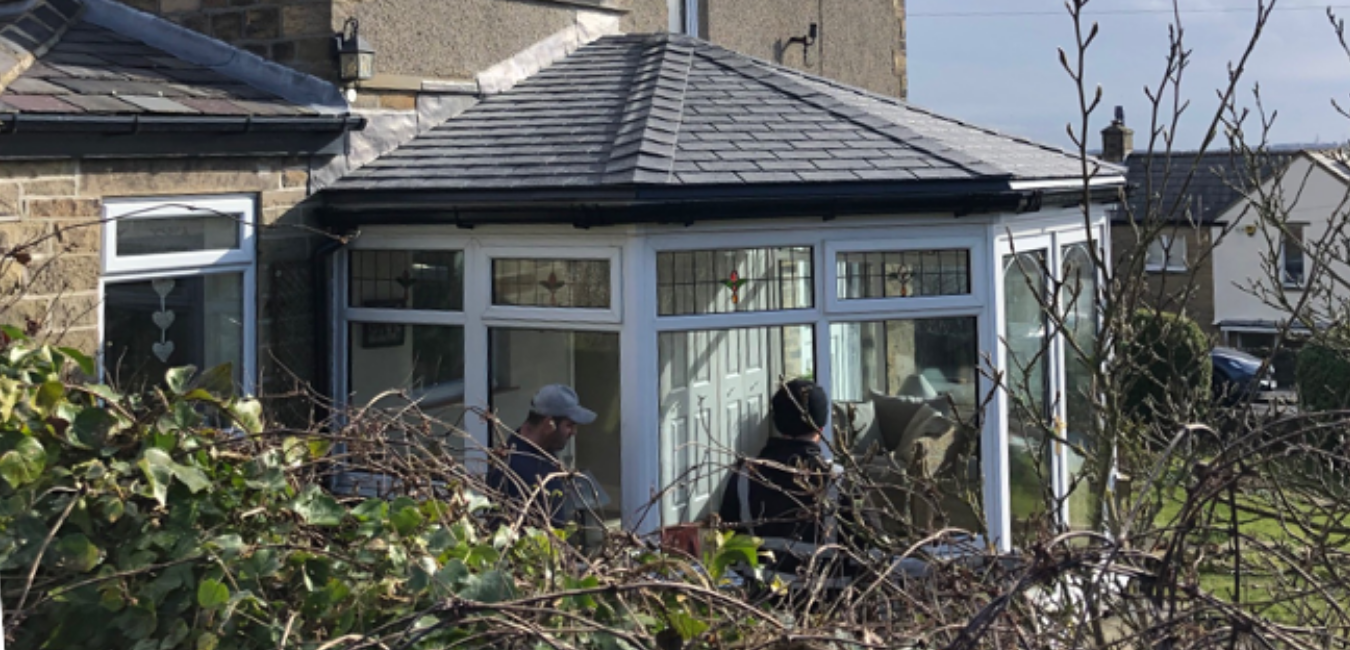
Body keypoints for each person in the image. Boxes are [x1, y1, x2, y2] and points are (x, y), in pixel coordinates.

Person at [718, 379, 847, 575]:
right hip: (827, 599)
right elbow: (870, 551)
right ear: (821, 428)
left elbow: (727, 544)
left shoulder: (744, 476)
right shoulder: (838, 481)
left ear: (778, 425)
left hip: (760, 600)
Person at [486, 384, 596, 529]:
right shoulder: (511, 468)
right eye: (569, 425)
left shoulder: (545, 451)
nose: (574, 432)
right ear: (548, 424)